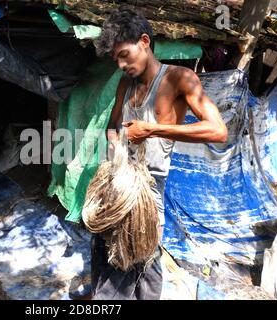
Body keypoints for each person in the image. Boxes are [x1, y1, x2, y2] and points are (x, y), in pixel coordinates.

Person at [90, 6, 228, 300]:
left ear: (144, 42)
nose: (120, 65)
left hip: (149, 193)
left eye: (124, 54)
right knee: (111, 259)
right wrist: (116, 145)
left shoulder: (180, 78)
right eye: (115, 59)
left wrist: (152, 130)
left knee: (136, 261)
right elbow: (112, 126)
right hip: (119, 185)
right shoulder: (125, 83)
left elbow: (218, 131)